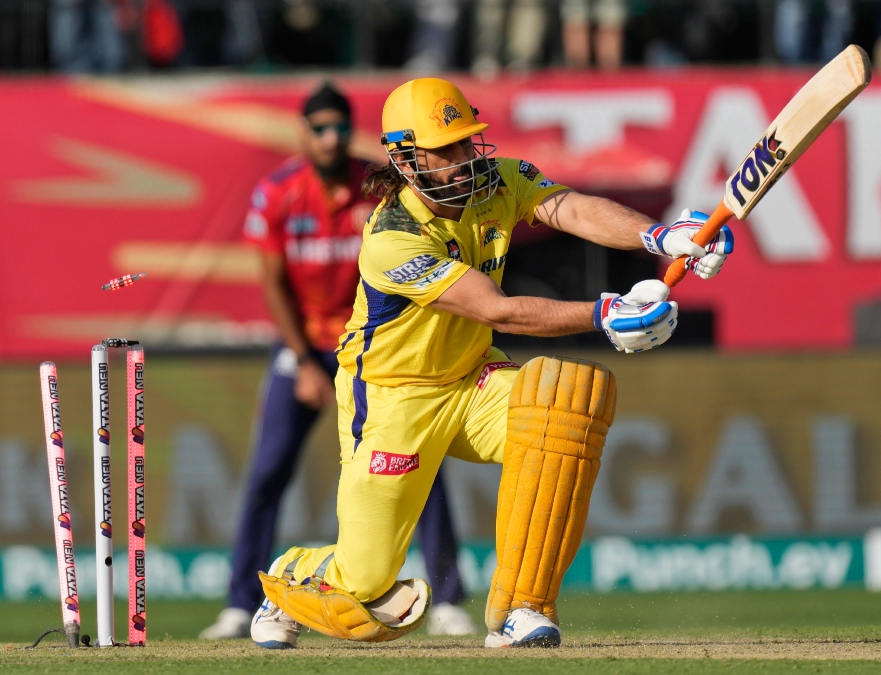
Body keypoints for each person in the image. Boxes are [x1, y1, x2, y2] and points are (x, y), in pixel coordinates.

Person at [249, 77, 732, 649]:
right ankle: (291, 577)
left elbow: (570, 208)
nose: (463, 161)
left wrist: (659, 235)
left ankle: (521, 607)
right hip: (393, 399)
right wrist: (607, 313)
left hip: (471, 380)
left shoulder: (498, 180)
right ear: (405, 158)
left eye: (465, 143)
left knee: (561, 412)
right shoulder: (392, 239)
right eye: (446, 150)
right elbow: (497, 308)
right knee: (366, 579)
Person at [199, 82, 478, 640]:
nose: (330, 138)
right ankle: (241, 601)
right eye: (319, 128)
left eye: (339, 128)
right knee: (269, 470)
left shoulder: (381, 186)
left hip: (373, 345)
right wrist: (302, 360)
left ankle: (446, 598)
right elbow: (273, 283)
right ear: (302, 132)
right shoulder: (278, 190)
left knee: (416, 465)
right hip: (303, 346)